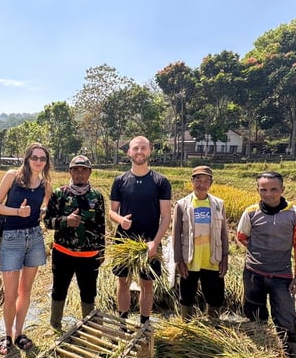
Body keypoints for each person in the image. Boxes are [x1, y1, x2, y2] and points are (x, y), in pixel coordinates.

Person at [236, 171, 296, 358]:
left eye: (274, 189)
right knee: (254, 313)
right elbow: (242, 236)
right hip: (253, 274)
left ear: (282, 189)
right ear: (257, 190)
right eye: (263, 190)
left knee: (286, 317)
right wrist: (259, 252)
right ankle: (261, 356)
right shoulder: (251, 212)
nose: (268, 194)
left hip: (282, 276)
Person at [0, 143, 52, 355]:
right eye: (34, 157)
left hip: (34, 238)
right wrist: (18, 212)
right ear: (27, 159)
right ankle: (7, 335)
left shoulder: (45, 184)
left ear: (46, 162)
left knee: (25, 291)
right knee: (10, 294)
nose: (38, 161)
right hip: (12, 238)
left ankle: (19, 333)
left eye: (42, 158)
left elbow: (45, 206)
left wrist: (42, 212)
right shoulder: (12, 176)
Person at [109, 136, 172, 325]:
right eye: (135, 148)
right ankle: (123, 323)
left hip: (149, 241)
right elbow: (112, 212)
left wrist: (155, 242)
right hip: (124, 241)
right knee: (123, 282)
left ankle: (144, 324)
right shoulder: (120, 181)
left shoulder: (161, 182)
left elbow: (166, 216)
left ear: (150, 151)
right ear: (129, 152)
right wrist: (121, 220)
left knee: (147, 284)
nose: (139, 152)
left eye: (143, 148)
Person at [44, 155, 106, 330]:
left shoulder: (96, 197)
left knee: (88, 293)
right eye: (76, 170)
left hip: (89, 256)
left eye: (83, 170)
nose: (80, 174)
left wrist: (102, 252)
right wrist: (65, 221)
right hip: (63, 253)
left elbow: (101, 226)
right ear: (70, 172)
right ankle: (55, 326)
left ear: (90, 173)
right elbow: (47, 222)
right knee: (59, 290)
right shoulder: (59, 194)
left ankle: (89, 327)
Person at [172, 166, 229, 321]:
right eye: (198, 180)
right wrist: (178, 260)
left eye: (206, 181)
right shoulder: (182, 204)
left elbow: (224, 233)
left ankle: (213, 324)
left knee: (215, 295)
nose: (202, 184)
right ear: (192, 181)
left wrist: (225, 257)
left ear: (211, 183)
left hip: (213, 258)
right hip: (190, 259)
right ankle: (186, 325)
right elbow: (176, 234)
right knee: (187, 295)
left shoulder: (218, 204)